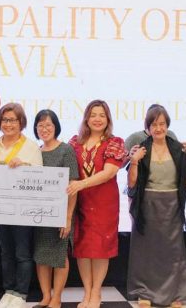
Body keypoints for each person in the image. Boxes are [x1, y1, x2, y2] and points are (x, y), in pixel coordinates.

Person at [126, 105, 186, 308]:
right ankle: (144, 292)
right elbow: (131, 184)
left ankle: (174, 293)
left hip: (172, 205)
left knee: (172, 250)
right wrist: (134, 162)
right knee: (146, 250)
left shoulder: (177, 149)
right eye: (154, 124)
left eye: (162, 124)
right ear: (147, 128)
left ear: (167, 125)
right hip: (147, 205)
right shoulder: (141, 149)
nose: (158, 128)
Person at [66, 100, 127, 308]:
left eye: (102, 115)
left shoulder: (114, 142)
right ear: (86, 118)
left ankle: (96, 293)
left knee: (101, 248)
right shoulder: (74, 142)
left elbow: (109, 172)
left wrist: (81, 183)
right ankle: (87, 292)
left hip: (104, 203)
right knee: (82, 248)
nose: (97, 119)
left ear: (108, 119)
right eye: (93, 115)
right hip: (80, 202)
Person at [0, 103, 43, 308]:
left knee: (22, 252)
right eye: (5, 120)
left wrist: (24, 165)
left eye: (13, 120)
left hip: (23, 209)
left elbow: (39, 176)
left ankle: (21, 293)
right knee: (6, 252)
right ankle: (9, 291)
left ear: (21, 122)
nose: (8, 124)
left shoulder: (31, 146)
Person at [31, 109, 79, 308]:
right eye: (40, 125)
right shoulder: (35, 152)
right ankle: (45, 296)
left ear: (56, 127)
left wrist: (67, 218)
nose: (44, 129)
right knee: (41, 256)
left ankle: (57, 298)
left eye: (48, 125)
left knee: (60, 257)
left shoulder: (66, 150)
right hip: (39, 215)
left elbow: (73, 186)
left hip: (61, 213)